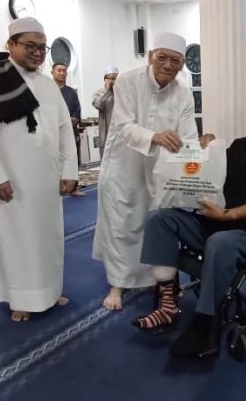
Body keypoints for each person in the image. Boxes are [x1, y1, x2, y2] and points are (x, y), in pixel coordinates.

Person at [131, 90, 246, 359]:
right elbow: (210, 175)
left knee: (219, 241)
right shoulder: (239, 146)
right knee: (160, 219)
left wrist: (230, 215)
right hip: (216, 221)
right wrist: (207, 150)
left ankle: (205, 323)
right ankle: (167, 305)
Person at [0, 17, 80, 322]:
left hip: (46, 178)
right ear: (11, 45)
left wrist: (69, 170)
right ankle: (21, 299)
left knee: (48, 237)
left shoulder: (48, 84)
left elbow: (64, 128)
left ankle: (50, 292)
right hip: (11, 178)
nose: (38, 53)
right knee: (17, 239)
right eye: (30, 46)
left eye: (43, 47)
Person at [93, 32, 200, 311]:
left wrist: (199, 149)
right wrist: (155, 136)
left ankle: (152, 279)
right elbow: (123, 126)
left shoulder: (184, 93)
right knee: (120, 224)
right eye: (162, 57)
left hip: (159, 170)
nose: (168, 65)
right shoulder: (127, 81)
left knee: (151, 224)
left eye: (175, 60)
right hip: (123, 165)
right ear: (151, 56)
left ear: (182, 64)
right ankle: (117, 284)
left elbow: (188, 135)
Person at [52, 62, 86, 196]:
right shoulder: (47, 91)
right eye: (59, 70)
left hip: (70, 132)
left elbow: (77, 111)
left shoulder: (72, 93)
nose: (62, 73)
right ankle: (55, 187)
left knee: (72, 158)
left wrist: (72, 120)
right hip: (52, 133)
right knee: (53, 160)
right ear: (52, 72)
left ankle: (72, 188)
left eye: (64, 70)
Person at [92, 65, 118, 157]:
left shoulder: (122, 93)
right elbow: (98, 105)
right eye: (111, 78)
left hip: (120, 134)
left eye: (115, 78)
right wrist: (107, 91)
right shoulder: (99, 93)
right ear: (105, 79)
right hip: (106, 134)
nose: (113, 81)